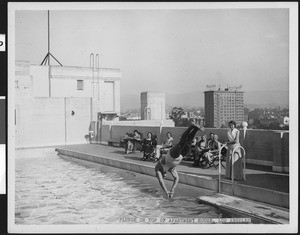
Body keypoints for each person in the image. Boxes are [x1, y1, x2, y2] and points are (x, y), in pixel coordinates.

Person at [155, 123, 205, 199]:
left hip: (172, 155)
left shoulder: (158, 168)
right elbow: (176, 178)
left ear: (161, 174)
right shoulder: (171, 170)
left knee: (182, 141)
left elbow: (161, 182)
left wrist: (166, 192)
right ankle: (195, 129)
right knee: (188, 143)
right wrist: (172, 189)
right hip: (180, 156)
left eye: (163, 176)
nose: (165, 176)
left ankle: (191, 126)